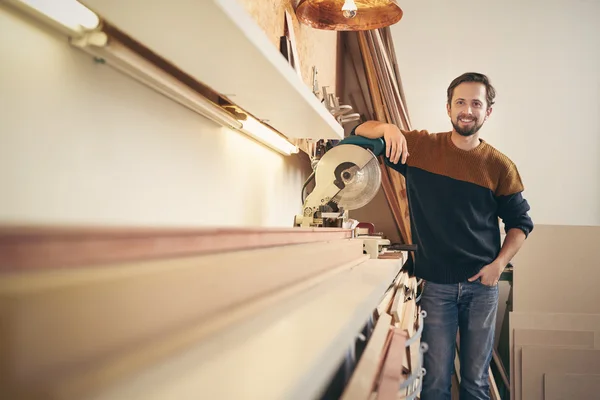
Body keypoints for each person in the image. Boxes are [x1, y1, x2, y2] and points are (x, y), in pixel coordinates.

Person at [351, 72, 534, 400]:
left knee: (476, 385)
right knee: (435, 382)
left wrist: (499, 265)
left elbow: (521, 224)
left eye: (476, 103)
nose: (467, 110)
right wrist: (388, 129)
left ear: (487, 112)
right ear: (448, 108)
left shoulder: (499, 166)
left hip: (482, 288)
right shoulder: (420, 148)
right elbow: (359, 130)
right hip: (436, 286)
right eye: (460, 102)